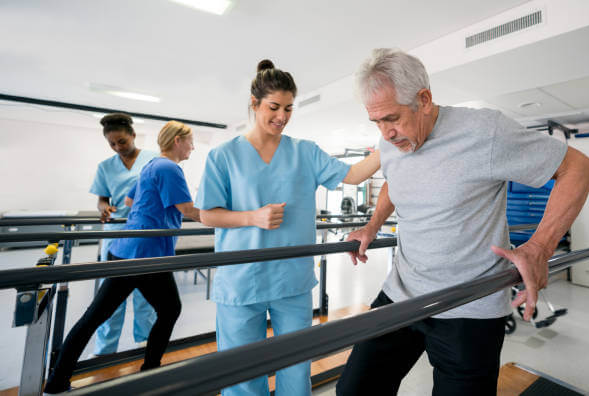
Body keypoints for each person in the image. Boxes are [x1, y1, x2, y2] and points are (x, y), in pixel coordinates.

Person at [336, 48, 589, 396]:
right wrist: (371, 225)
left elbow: (578, 169)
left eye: (392, 119)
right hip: (402, 293)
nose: (386, 133)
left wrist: (539, 247)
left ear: (424, 99)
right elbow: (394, 182)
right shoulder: (390, 143)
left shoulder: (484, 131)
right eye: (377, 122)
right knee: (354, 390)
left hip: (469, 305)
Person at [196, 59, 380, 396]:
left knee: (296, 371)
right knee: (241, 374)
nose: (282, 116)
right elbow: (207, 214)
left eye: (289, 108)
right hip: (242, 279)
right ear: (254, 104)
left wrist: (389, 142)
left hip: (290, 280)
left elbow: (353, 175)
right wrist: (252, 217)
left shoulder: (304, 152)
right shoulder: (223, 156)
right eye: (274, 107)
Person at [44, 121, 201, 394]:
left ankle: (57, 382)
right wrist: (232, 218)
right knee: (169, 309)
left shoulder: (150, 166)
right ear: (177, 140)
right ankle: (150, 370)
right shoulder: (168, 167)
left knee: (95, 317)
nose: (193, 147)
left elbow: (129, 202)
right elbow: (188, 209)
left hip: (126, 250)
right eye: (190, 142)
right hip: (147, 254)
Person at [89, 113, 157, 355]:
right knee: (110, 300)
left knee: (145, 297)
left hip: (145, 234)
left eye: (122, 142)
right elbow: (101, 199)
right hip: (116, 235)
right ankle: (104, 352)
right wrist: (103, 208)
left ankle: (145, 345)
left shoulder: (154, 160)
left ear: (133, 136)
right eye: (112, 144)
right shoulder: (105, 167)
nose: (118, 147)